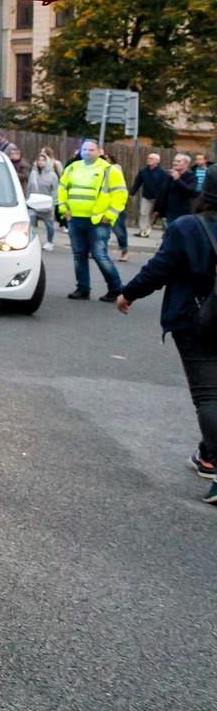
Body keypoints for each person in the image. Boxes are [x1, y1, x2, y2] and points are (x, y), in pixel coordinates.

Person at [115, 184, 217, 503]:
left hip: (195, 320)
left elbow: (159, 269)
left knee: (207, 395)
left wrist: (128, 293)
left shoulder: (187, 227)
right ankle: (206, 454)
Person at [58, 137, 126, 300]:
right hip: (75, 219)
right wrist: (63, 209)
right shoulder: (73, 167)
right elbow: (62, 189)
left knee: (99, 254)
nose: (87, 152)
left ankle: (116, 288)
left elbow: (120, 195)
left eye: (91, 149)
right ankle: (83, 288)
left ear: (100, 152)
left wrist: (109, 216)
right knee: (79, 254)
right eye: (84, 149)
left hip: (98, 220)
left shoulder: (109, 170)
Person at [28, 149, 64, 246]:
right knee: (31, 221)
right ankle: (32, 240)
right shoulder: (33, 174)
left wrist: (53, 204)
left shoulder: (52, 176)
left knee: (49, 225)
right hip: (33, 203)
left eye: (43, 160)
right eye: (39, 160)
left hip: (47, 204)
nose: (40, 162)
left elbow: (55, 191)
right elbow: (29, 188)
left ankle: (49, 241)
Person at [133, 151, 171, 237]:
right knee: (143, 213)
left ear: (157, 161)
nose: (149, 160)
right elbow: (137, 183)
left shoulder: (162, 172)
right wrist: (132, 193)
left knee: (156, 215)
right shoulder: (143, 171)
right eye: (148, 158)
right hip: (146, 196)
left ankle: (164, 232)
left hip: (158, 197)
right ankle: (143, 231)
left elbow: (164, 187)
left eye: (151, 158)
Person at [161, 152, 200, 227]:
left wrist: (177, 179)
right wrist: (159, 208)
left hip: (184, 211)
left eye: (178, 161)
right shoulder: (169, 175)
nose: (175, 163)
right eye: (174, 161)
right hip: (170, 210)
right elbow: (164, 192)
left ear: (186, 164)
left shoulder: (191, 177)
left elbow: (190, 191)